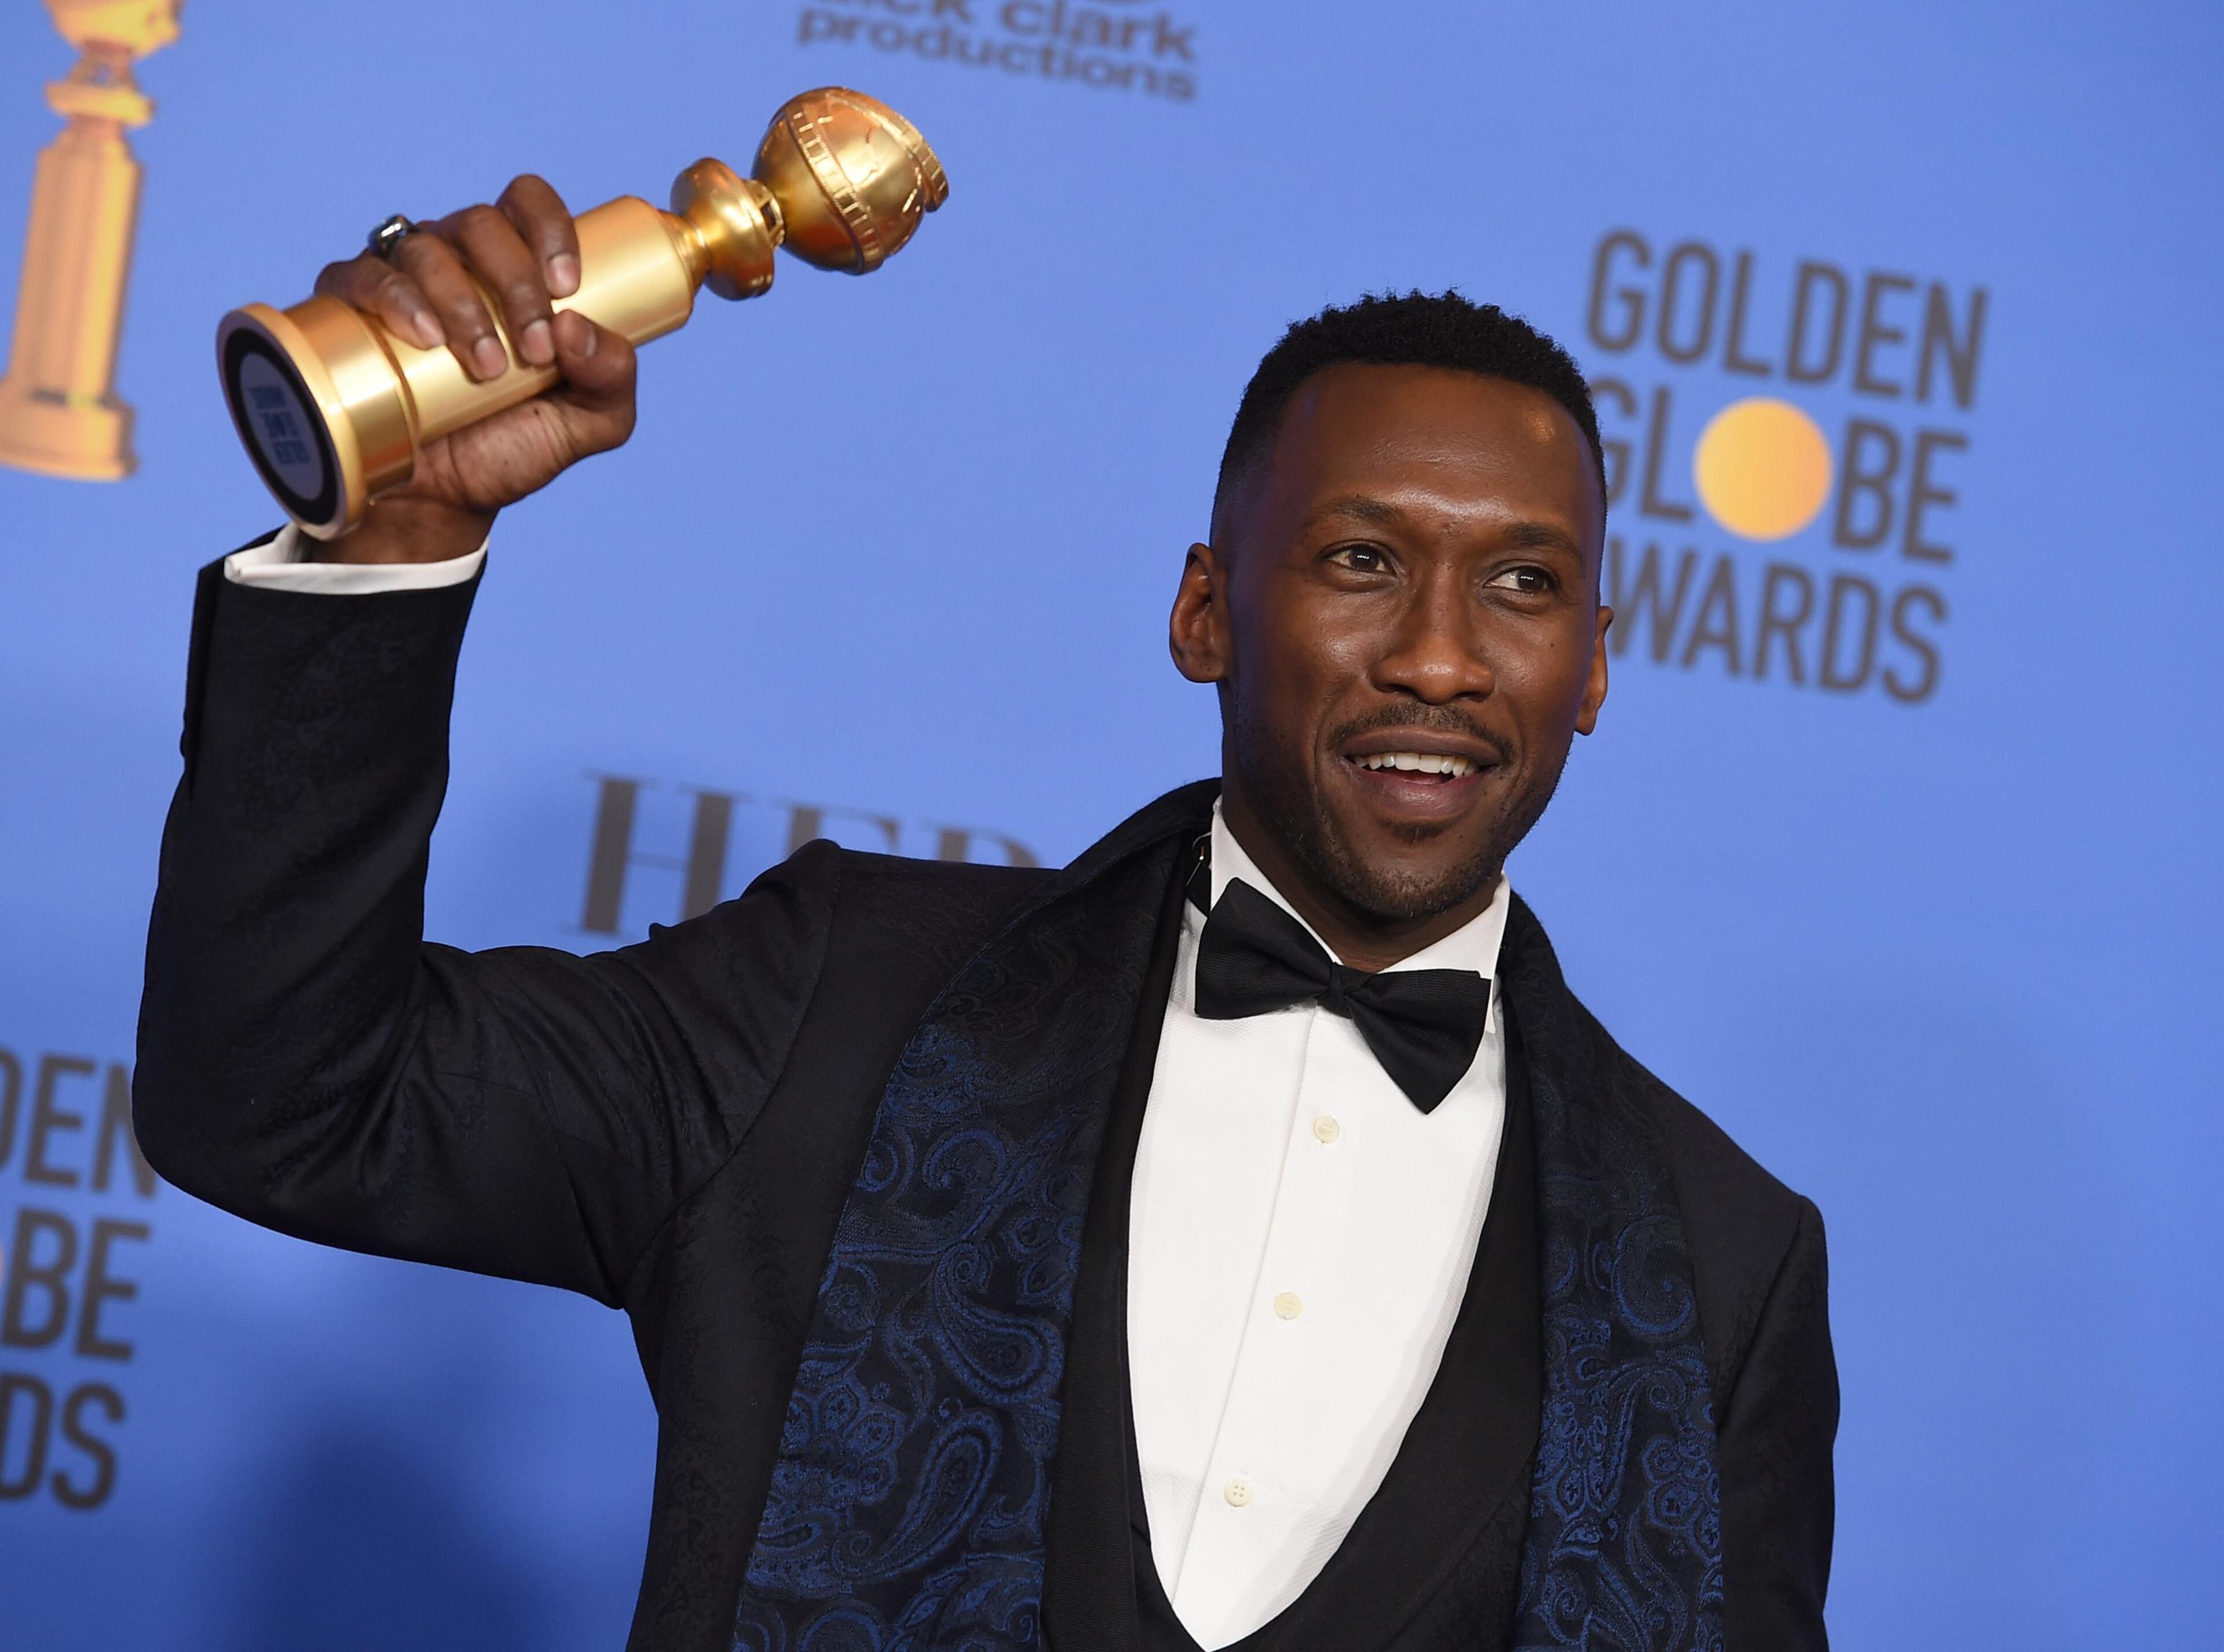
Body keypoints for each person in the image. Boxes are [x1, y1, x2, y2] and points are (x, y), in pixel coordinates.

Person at [135, 178, 1837, 1652]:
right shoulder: (841, 1000)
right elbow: (290, 1104)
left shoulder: (1723, 1264)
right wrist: (392, 541)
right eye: (1362, 561)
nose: (1443, 655)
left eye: (1525, 584)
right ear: (1203, 613)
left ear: (1598, 665)